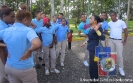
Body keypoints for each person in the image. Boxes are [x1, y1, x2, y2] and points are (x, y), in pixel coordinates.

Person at [0, 9, 41, 83]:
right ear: (25, 19)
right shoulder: (28, 30)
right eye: (30, 21)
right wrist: (29, 50)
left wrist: (6, 45)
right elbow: (37, 44)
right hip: (24, 68)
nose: (30, 23)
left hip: (9, 66)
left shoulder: (6, 30)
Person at [108, 11, 128, 76]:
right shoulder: (109, 23)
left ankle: (121, 68)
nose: (112, 17)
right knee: (112, 54)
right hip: (111, 40)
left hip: (119, 41)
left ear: (116, 15)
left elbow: (126, 31)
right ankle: (112, 67)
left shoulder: (121, 22)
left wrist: (125, 40)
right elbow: (105, 29)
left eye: (113, 15)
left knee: (119, 55)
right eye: (111, 16)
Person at [87, 15, 105, 83]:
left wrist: (97, 30)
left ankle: (95, 80)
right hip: (91, 48)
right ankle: (93, 79)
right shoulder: (92, 28)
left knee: (93, 65)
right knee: (91, 65)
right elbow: (91, 38)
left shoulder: (98, 27)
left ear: (95, 21)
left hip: (94, 49)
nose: (89, 19)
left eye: (91, 18)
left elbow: (103, 37)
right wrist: (86, 42)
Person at [0, 5, 15, 83]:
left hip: (7, 56)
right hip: (3, 57)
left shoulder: (8, 24)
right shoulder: (1, 27)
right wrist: (5, 63)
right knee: (9, 77)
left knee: (3, 77)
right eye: (12, 17)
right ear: (5, 16)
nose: (14, 18)